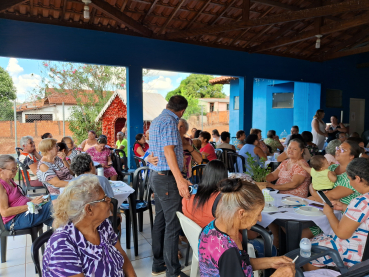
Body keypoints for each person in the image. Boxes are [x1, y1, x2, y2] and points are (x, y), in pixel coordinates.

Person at [198, 178, 296, 277]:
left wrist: (271, 262)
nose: (260, 219)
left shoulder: (210, 228)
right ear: (241, 213)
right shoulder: (228, 251)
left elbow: (240, 264)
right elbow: (233, 262)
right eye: (258, 214)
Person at [42, 175, 137, 277]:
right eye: (104, 199)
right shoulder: (62, 246)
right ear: (89, 209)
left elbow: (122, 256)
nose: (109, 199)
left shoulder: (102, 225)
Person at [149, 95, 193, 277]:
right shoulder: (169, 122)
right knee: (173, 223)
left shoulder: (156, 121)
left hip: (157, 177)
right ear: (182, 111)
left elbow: (156, 149)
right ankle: (173, 271)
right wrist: (180, 179)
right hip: (167, 178)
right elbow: (168, 151)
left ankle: (158, 264)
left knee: (160, 221)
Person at [304, 158, 369, 270]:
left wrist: (329, 213)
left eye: (349, 179)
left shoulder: (360, 202)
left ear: (358, 179)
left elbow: (342, 234)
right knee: (316, 239)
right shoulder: (363, 202)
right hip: (364, 248)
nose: (349, 183)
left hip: (357, 253)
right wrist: (344, 207)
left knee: (308, 249)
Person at [0, 155, 54, 231]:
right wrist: (31, 204)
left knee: (55, 213)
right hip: (15, 220)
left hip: (25, 212)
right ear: (0, 170)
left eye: (16, 168)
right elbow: (4, 212)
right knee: (55, 203)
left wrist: (37, 200)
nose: (15, 172)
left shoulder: (9, 180)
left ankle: (67, 234)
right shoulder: (1, 185)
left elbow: (20, 198)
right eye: (12, 170)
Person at [309, 141, 362, 206]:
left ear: (352, 156)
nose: (337, 151)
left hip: (340, 212)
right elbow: (313, 183)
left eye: (342, 150)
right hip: (323, 205)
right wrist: (314, 192)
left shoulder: (352, 175)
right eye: (337, 148)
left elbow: (329, 197)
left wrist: (314, 193)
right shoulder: (332, 167)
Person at [182, 160, 227, 227]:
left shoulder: (190, 192)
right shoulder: (219, 198)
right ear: (224, 176)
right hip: (213, 234)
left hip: (193, 234)